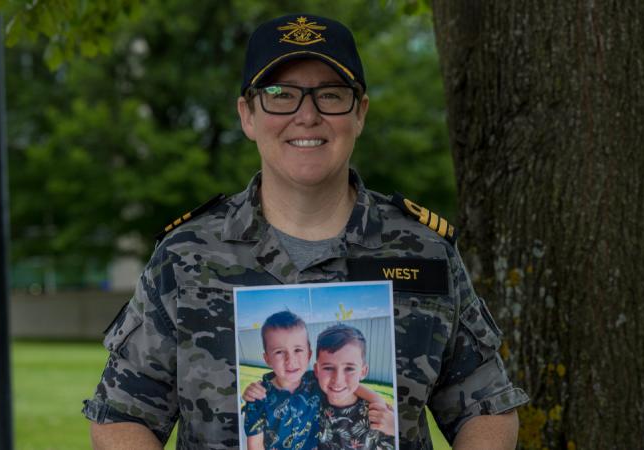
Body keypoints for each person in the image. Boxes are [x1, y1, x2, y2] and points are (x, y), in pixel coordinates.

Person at [84, 12, 529, 450]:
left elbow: (486, 406)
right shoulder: (185, 257)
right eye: (280, 95)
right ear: (248, 115)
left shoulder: (426, 253)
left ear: (360, 113)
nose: (307, 115)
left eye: (331, 95)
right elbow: (121, 414)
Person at [242, 311, 392, 450]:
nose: (290, 359)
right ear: (267, 358)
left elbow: (350, 386)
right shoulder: (258, 398)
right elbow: (254, 445)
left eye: (298, 350)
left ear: (308, 354)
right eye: (279, 352)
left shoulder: (313, 381)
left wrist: (377, 400)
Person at [313, 324, 394, 450]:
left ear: (363, 372)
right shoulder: (310, 399)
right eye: (328, 368)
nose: (338, 379)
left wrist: (395, 429)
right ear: (316, 371)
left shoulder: (377, 415)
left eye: (349, 368)